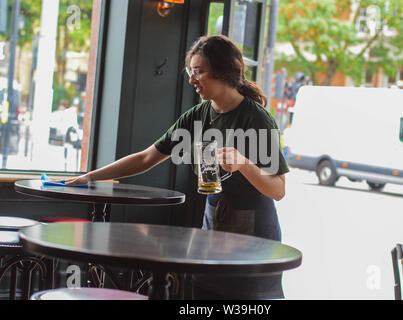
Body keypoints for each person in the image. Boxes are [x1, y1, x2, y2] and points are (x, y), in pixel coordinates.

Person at [66, 34, 289, 299]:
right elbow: (146, 158)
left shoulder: (256, 118)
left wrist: (244, 164)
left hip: (254, 234)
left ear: (223, 72)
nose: (192, 79)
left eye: (199, 72)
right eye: (190, 72)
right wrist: (91, 176)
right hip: (213, 224)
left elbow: (278, 190)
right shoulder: (198, 115)